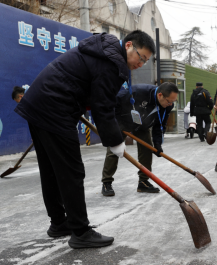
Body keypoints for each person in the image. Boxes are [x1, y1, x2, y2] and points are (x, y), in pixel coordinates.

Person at [14, 30, 155, 249]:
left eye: (146, 61)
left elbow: (98, 95)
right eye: (141, 57)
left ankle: (59, 223)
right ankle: (80, 231)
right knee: (71, 171)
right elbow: (103, 107)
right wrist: (115, 141)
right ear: (129, 45)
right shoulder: (113, 63)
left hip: (39, 103)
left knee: (51, 170)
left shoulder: (102, 51)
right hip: (54, 108)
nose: (142, 63)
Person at [101, 82, 178, 196]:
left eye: (173, 101)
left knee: (147, 150)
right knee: (114, 149)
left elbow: (159, 124)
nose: (171, 104)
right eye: (169, 101)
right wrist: (118, 125)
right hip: (123, 121)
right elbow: (115, 103)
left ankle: (143, 182)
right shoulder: (138, 92)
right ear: (160, 95)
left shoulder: (167, 105)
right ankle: (106, 182)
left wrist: (157, 144)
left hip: (142, 124)